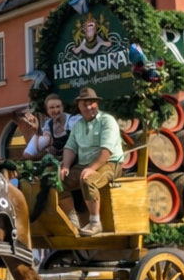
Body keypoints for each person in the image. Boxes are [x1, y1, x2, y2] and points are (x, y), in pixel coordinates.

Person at [59, 87, 123, 237]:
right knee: (57, 180)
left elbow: (106, 151)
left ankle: (95, 223)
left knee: (88, 179)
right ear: (79, 106)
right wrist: (66, 165)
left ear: (97, 103)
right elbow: (70, 147)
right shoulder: (78, 125)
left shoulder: (107, 121)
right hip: (84, 165)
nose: (88, 107)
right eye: (84, 104)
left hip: (110, 164)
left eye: (91, 103)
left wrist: (91, 168)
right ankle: (73, 219)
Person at [21, 93, 75, 161]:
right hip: (61, 161)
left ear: (62, 107)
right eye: (52, 107)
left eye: (58, 106)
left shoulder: (72, 121)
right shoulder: (49, 124)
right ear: (47, 111)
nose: (55, 110)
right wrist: (36, 130)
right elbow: (49, 145)